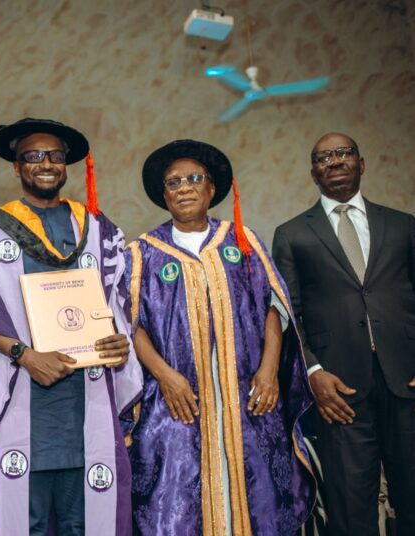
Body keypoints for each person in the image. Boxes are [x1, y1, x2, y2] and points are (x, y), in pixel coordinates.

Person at [127, 139, 316, 535]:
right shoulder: (144, 252)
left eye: (195, 178)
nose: (185, 188)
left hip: (246, 399)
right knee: (177, 505)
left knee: (255, 494)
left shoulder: (242, 242)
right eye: (173, 182)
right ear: (163, 194)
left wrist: (268, 371)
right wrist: (165, 376)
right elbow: (132, 325)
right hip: (178, 406)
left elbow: (272, 309)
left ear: (212, 188)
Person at [0, 118, 142, 535]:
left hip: (89, 401)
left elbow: (120, 303)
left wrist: (119, 342)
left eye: (56, 156)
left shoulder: (99, 229)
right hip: (22, 397)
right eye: (33, 156)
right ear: (16, 167)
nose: (46, 164)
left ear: (66, 166)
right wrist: (26, 357)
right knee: (27, 523)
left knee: (87, 522)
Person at [272, 132, 415, 535]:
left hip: (407, 382)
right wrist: (313, 372)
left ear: (361, 163)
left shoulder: (403, 225)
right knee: (350, 508)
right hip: (339, 391)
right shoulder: (292, 234)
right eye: (323, 158)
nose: (334, 162)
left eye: (343, 153)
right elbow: (288, 315)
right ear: (313, 173)